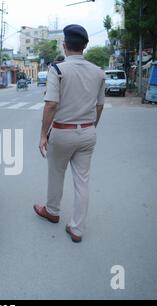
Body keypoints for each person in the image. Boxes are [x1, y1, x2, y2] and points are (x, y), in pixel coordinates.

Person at [33, 24, 105, 243]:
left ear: (65, 46)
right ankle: (77, 228)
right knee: (82, 181)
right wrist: (90, 127)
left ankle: (52, 211)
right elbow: (99, 106)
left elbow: (51, 105)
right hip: (88, 132)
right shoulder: (99, 72)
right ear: (84, 46)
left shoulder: (58, 70)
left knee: (56, 173)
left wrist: (43, 134)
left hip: (62, 133)